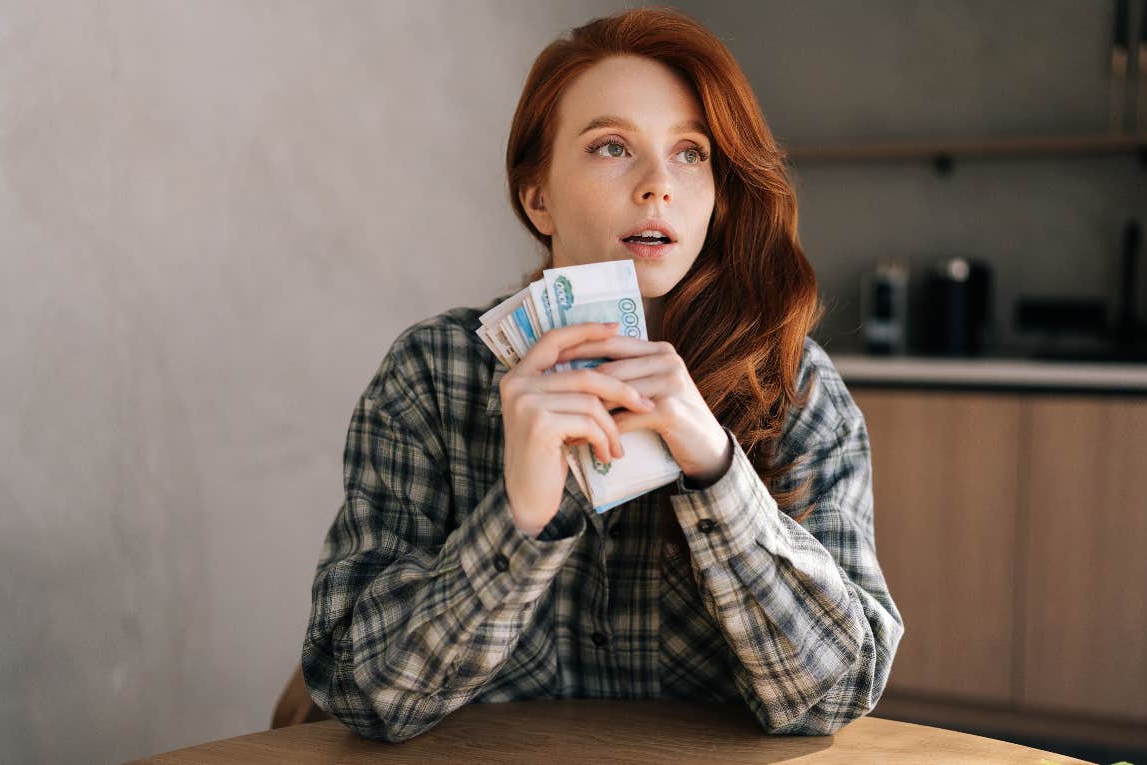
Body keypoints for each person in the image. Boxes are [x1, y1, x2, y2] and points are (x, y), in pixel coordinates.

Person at [293, 6, 903, 743]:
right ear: (537, 195)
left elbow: (836, 697)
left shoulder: (794, 386)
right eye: (613, 146)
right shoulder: (431, 376)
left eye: (691, 153)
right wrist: (522, 520)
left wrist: (714, 469)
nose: (657, 185)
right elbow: (359, 693)